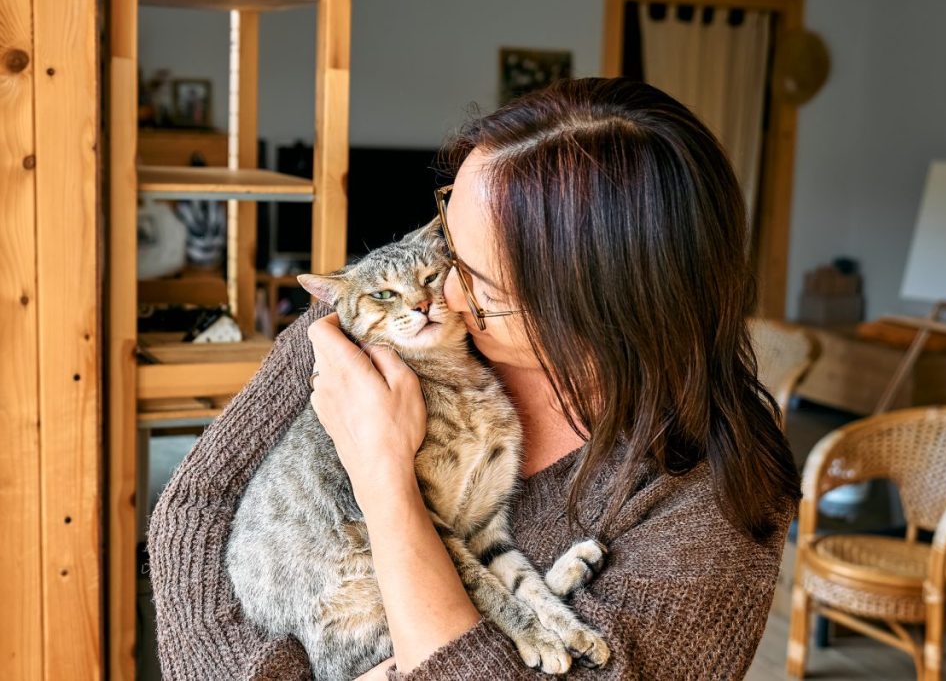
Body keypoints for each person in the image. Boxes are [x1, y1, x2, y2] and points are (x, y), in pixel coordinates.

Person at [148, 77, 800, 680]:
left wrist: (384, 477)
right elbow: (195, 508)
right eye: (447, 237)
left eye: (479, 283)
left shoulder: (713, 497)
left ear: (602, 312)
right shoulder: (382, 309)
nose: (441, 290)